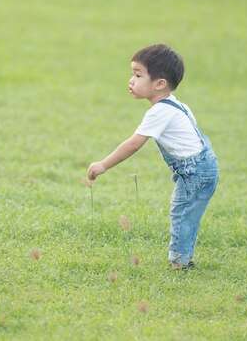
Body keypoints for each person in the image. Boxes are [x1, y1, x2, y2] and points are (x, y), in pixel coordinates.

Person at [86, 44, 218, 269]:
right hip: (204, 164)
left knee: (182, 214)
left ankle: (180, 263)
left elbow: (134, 144)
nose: (131, 80)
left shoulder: (159, 112)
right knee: (187, 214)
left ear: (159, 84)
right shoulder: (176, 104)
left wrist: (103, 165)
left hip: (194, 170)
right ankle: (183, 258)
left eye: (138, 75)